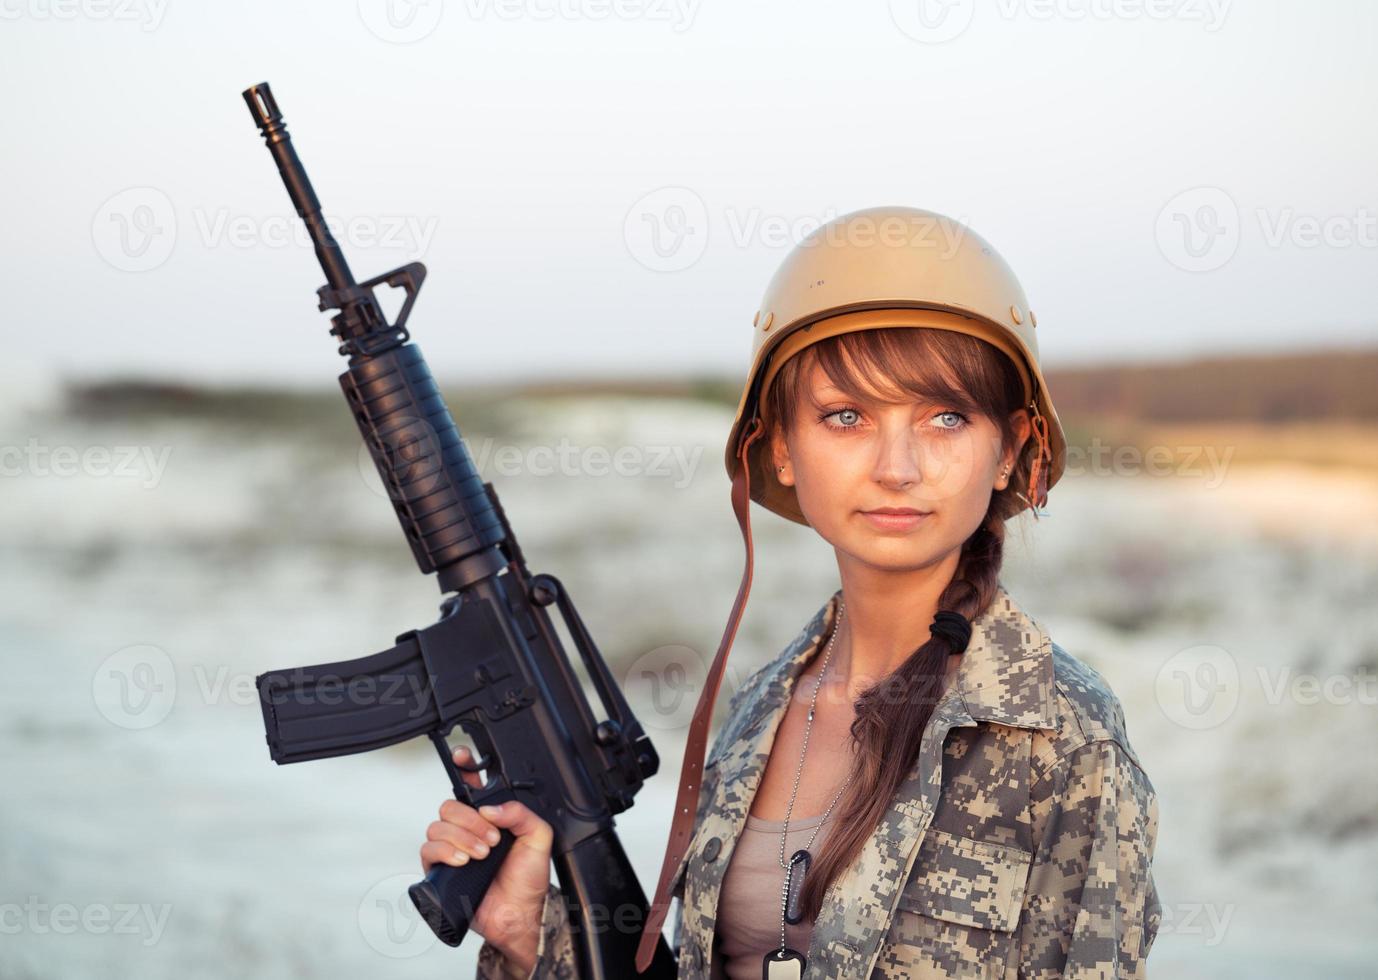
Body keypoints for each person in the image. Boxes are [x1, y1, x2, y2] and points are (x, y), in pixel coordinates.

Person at [418, 206, 1163, 979]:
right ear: (779, 448)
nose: (897, 466)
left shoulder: (1064, 738)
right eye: (846, 417)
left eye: (946, 418)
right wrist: (532, 935)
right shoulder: (756, 713)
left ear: (1010, 449)